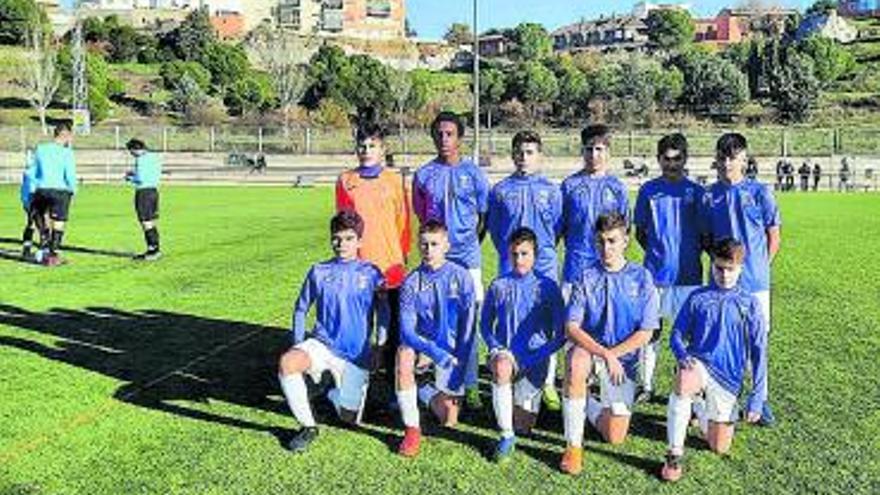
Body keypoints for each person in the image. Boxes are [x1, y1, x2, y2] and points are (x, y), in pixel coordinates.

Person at [277, 210, 386, 453]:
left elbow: (384, 313)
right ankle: (308, 426)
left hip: (355, 354)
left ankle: (332, 392)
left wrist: (379, 344)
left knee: (349, 419)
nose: (341, 244)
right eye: (336, 238)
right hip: (322, 344)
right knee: (288, 362)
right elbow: (300, 308)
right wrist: (297, 343)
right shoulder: (319, 271)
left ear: (360, 241)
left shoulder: (372, 273)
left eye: (348, 238)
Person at [660, 239, 768, 482]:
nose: (724, 274)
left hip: (728, 378)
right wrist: (682, 355)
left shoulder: (750, 304)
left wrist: (758, 397)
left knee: (719, 447)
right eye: (719, 268)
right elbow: (676, 334)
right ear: (712, 265)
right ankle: (674, 454)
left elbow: (759, 351)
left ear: (741, 268)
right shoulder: (698, 297)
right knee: (685, 378)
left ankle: (699, 405)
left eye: (730, 269)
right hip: (699, 365)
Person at [559, 212, 660, 475]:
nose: (606, 248)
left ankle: (586, 402)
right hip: (592, 351)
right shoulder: (586, 276)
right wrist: (604, 354)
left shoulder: (641, 277)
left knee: (614, 436)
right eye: (601, 241)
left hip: (622, 359)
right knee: (576, 361)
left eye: (612, 241)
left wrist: (613, 356)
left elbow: (646, 332)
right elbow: (571, 327)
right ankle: (573, 446)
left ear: (626, 240)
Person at [412, 111, 490, 409]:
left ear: (460, 137)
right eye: (439, 134)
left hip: (467, 260)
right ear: (433, 137)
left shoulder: (474, 173)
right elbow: (422, 215)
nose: (444, 139)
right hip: (435, 261)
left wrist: (468, 246)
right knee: (435, 320)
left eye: (450, 134)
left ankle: (470, 384)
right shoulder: (424, 175)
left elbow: (483, 216)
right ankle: (439, 378)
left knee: (468, 323)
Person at [701, 133, 780, 426]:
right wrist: (723, 270)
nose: (726, 163)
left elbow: (774, 234)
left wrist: (760, 266)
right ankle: (715, 395)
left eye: (732, 157)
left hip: (756, 282)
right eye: (721, 157)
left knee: (757, 341)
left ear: (744, 160)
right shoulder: (709, 195)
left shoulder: (760, 192)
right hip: (722, 281)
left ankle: (760, 399)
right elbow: (707, 238)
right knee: (719, 338)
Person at [486, 130, 563, 410]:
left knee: (548, 324)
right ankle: (511, 366)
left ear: (540, 156)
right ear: (512, 155)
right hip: (511, 266)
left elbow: (555, 228)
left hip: (544, 267)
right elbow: (495, 231)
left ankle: (548, 383)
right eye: (519, 151)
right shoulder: (500, 190)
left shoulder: (552, 190)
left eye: (530, 152)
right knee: (512, 320)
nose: (523, 157)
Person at [335, 122, 410, 406]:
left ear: (382, 149)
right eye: (362, 146)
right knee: (357, 330)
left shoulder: (395, 180)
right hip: (358, 270)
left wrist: (400, 257)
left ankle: (393, 388)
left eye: (372, 146)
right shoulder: (345, 180)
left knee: (391, 331)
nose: (366, 151)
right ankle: (353, 387)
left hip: (390, 266)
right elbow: (343, 226)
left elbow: (403, 222)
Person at [481, 228, 565, 462]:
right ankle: (506, 436)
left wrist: (532, 358)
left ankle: (521, 405)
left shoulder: (548, 287)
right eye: (515, 254)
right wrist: (496, 347)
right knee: (502, 368)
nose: (519, 259)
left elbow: (560, 336)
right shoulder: (498, 285)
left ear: (535, 255)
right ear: (509, 253)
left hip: (535, 360)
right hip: (506, 357)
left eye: (525, 254)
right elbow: (485, 325)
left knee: (524, 426)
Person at [633, 133, 705, 403]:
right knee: (651, 330)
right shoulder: (648, 191)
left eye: (677, 159)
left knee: (687, 335)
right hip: (655, 275)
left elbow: (704, 233)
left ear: (685, 159)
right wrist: (658, 253)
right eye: (667, 159)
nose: (672, 164)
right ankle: (646, 385)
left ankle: (686, 385)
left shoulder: (697, 192)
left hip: (689, 275)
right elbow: (641, 232)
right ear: (658, 159)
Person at [396, 220, 477, 458]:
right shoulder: (412, 282)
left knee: (448, 421)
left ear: (446, 245)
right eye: (424, 244)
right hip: (425, 348)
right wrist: (433, 353)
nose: (428, 250)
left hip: (453, 351)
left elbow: (469, 325)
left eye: (434, 244)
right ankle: (412, 429)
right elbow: (408, 332)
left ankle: (423, 389)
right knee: (403, 355)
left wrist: (459, 359)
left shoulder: (461, 276)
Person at [560, 124, 629, 294]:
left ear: (608, 152)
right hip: (576, 266)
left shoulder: (617, 187)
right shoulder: (569, 186)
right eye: (589, 149)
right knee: (573, 319)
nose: (594, 155)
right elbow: (560, 227)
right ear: (582, 152)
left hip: (609, 266)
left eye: (599, 149)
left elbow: (626, 228)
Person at [125, 139, 163, 261]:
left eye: (131, 152)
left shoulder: (140, 160)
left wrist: (129, 177)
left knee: (145, 222)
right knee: (151, 221)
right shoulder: (155, 157)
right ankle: (155, 249)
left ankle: (153, 250)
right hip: (154, 191)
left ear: (134, 150)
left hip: (143, 193)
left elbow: (140, 178)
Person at [19, 148, 44, 259]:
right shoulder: (34, 172)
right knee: (41, 225)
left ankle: (26, 249)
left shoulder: (29, 171)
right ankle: (43, 251)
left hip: (27, 201)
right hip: (34, 200)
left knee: (31, 224)